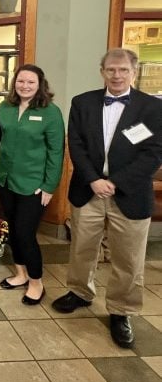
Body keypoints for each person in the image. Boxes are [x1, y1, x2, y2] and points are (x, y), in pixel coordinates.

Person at [52, 48, 162, 348]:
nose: (116, 75)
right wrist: (94, 179)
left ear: (134, 72)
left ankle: (121, 310)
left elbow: (154, 153)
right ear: (102, 71)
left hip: (129, 194)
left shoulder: (152, 108)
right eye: (111, 69)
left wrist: (114, 182)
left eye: (123, 70)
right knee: (83, 248)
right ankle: (80, 291)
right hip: (88, 190)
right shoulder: (82, 102)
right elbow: (75, 144)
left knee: (127, 257)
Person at [0, 64, 65, 305]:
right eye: (21, 81)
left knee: (25, 234)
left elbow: (57, 152)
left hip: (33, 184)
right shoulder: (6, 107)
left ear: (40, 84)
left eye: (30, 82)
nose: (25, 86)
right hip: (5, 179)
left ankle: (36, 282)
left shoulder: (50, 112)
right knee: (13, 230)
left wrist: (49, 186)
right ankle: (20, 273)